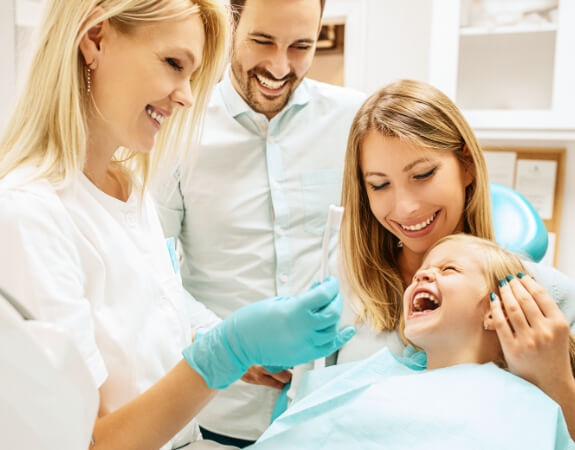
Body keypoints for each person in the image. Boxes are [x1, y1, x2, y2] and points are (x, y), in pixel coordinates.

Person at [0, 1, 355, 449]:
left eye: (193, 74)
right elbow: (88, 442)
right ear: (95, 39)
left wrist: (225, 342)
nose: (187, 95)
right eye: (173, 64)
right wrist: (227, 350)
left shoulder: (128, 187)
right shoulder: (28, 215)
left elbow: (151, 332)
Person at [154, 0, 365, 445]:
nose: (279, 65)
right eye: (262, 40)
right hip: (221, 413)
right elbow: (152, 271)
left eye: (300, 46)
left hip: (330, 410)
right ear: (231, 24)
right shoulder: (176, 127)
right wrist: (227, 343)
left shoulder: (356, 122)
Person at [338, 79, 575, 436]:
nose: (405, 207)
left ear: (466, 163)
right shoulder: (345, 292)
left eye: (422, 174)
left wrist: (554, 378)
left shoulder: (545, 298)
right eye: (379, 184)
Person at [247, 235, 575, 449]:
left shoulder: (527, 403)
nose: (421, 275)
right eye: (421, 271)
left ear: (499, 308)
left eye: (449, 269)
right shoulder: (370, 378)